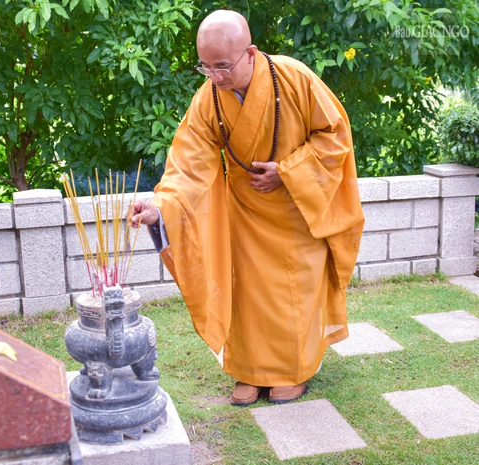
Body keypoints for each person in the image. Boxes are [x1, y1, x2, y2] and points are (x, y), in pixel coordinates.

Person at [130, 10, 364, 405]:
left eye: (222, 66)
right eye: (205, 67)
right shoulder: (209, 98)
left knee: (292, 296)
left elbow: (335, 135)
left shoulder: (293, 78)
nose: (215, 76)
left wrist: (287, 172)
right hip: (244, 214)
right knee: (247, 297)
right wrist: (160, 206)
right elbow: (188, 166)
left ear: (251, 53)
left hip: (297, 210)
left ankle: (292, 371)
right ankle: (250, 372)